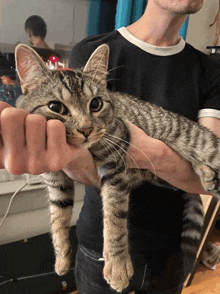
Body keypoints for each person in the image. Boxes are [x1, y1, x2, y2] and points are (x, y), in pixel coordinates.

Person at [0, 0, 219, 293]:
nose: (84, 125)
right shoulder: (92, 48)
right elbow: (80, 173)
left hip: (169, 247)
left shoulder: (211, 69)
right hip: (95, 248)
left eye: (93, 105)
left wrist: (145, 152)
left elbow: (210, 180)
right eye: (58, 107)